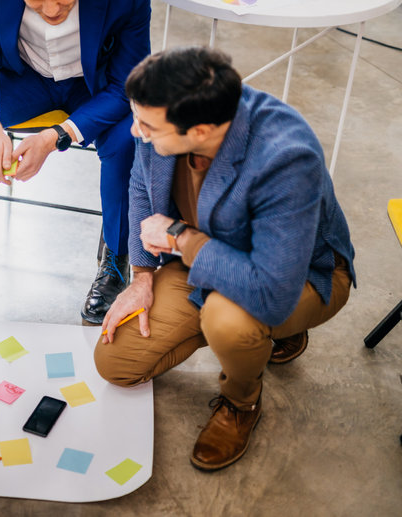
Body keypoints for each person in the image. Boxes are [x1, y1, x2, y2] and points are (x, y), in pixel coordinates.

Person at [93, 47, 356, 471]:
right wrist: (142, 276)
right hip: (205, 258)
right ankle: (249, 338)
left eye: (147, 125)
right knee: (115, 363)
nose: (136, 132)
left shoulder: (288, 158)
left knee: (228, 320)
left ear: (199, 130)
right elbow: (142, 188)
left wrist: (181, 239)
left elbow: (272, 293)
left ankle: (242, 402)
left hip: (296, 277)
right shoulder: (164, 113)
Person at [0, 0, 151, 322]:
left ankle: (116, 255)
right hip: (24, 76)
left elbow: (126, 85)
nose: (51, 10)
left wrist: (56, 137)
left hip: (97, 87)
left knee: (127, 142)